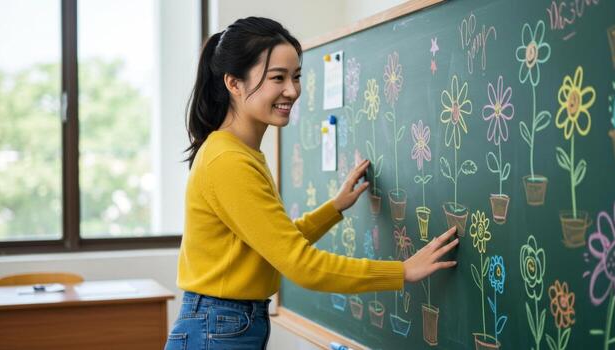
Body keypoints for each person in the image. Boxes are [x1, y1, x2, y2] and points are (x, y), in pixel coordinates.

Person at [165, 17, 459, 350]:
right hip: (218, 326)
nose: (292, 90)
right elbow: (300, 264)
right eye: (278, 78)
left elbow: (274, 245)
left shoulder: (239, 153)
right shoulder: (228, 161)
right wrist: (400, 271)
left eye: (296, 77)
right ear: (234, 83)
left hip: (225, 322)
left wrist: (333, 208)